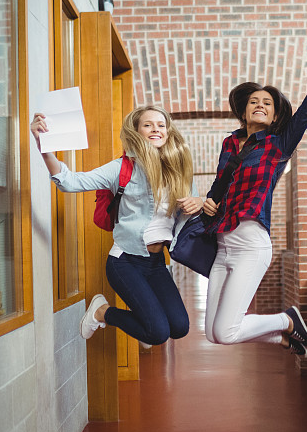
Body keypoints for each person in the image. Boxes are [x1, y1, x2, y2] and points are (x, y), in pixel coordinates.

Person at [201, 47, 307, 358]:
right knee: (212, 334)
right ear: (244, 111)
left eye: (267, 104)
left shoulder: (278, 145)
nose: (260, 106)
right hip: (223, 245)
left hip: (251, 244)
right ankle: (283, 338)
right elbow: (219, 187)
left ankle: (286, 319)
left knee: (225, 330)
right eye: (254, 102)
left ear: (274, 115)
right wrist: (209, 201)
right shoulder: (229, 144)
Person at [31, 105, 203, 347]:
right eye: (148, 124)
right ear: (136, 131)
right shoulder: (121, 168)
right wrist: (44, 149)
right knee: (157, 333)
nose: (156, 129)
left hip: (156, 263)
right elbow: (71, 182)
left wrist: (201, 200)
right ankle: (102, 312)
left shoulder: (179, 170)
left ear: (168, 132)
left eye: (161, 125)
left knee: (179, 327)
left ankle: (110, 313)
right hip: (125, 261)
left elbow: (194, 212)